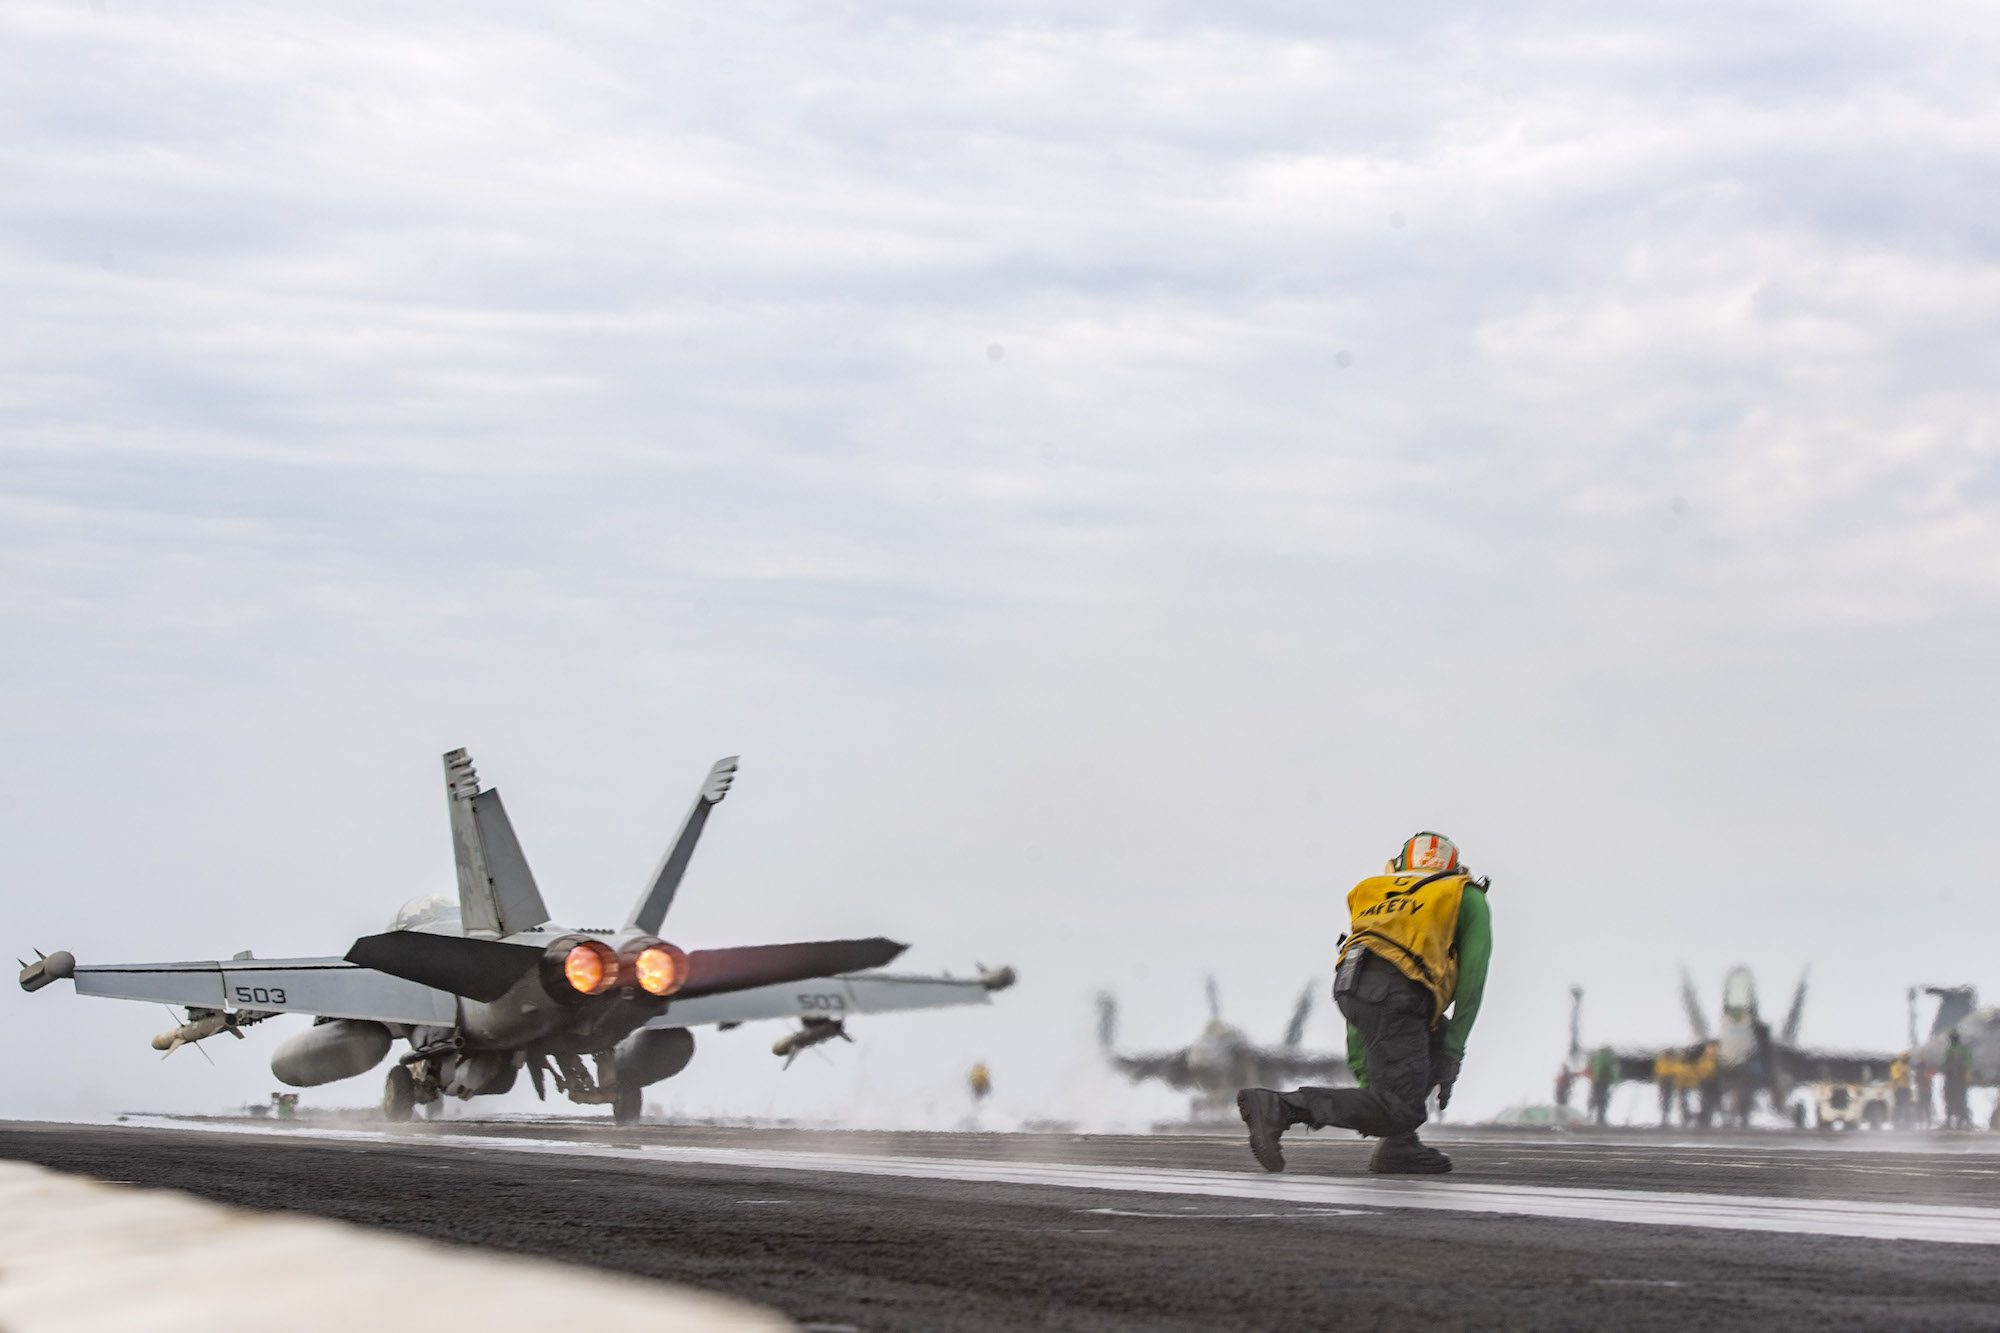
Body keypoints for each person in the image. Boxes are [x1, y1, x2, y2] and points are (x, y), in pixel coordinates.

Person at [1237, 831, 1492, 1175]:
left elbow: (1368, 979)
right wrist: (1454, 1054)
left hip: (1352, 985)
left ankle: (1398, 1146)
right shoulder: (1464, 895)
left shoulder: (1382, 894)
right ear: (1454, 867)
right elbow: (1472, 981)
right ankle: (1281, 1107)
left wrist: (1364, 1069)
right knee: (1403, 1107)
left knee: (1431, 1042)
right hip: (1398, 995)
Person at [1944, 1031, 1973, 1131]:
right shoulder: (1951, 1050)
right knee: (1952, 1100)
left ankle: (1962, 1121)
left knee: (1959, 1100)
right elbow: (1946, 1064)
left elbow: (1967, 1063)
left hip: (1958, 1079)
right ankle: (1951, 1121)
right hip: (1953, 1079)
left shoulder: (1962, 1050)